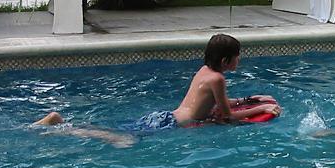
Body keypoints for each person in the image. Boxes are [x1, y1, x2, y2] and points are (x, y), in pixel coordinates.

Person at [34, 33, 281, 143]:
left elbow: (219, 105)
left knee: (119, 130)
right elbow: (226, 116)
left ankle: (62, 123)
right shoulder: (218, 79)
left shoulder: (205, 72)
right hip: (170, 125)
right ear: (226, 60)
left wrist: (251, 99)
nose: (240, 59)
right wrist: (262, 109)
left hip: (163, 117)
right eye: (238, 56)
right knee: (122, 139)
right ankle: (62, 126)